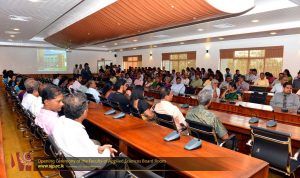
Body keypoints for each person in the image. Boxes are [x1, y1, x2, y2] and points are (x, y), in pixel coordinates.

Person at [52, 93, 118, 178]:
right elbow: (99, 163)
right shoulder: (78, 132)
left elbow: (81, 148)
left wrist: (98, 148)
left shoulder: (59, 121)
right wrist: (107, 151)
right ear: (84, 112)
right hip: (85, 173)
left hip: (69, 167)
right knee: (119, 169)